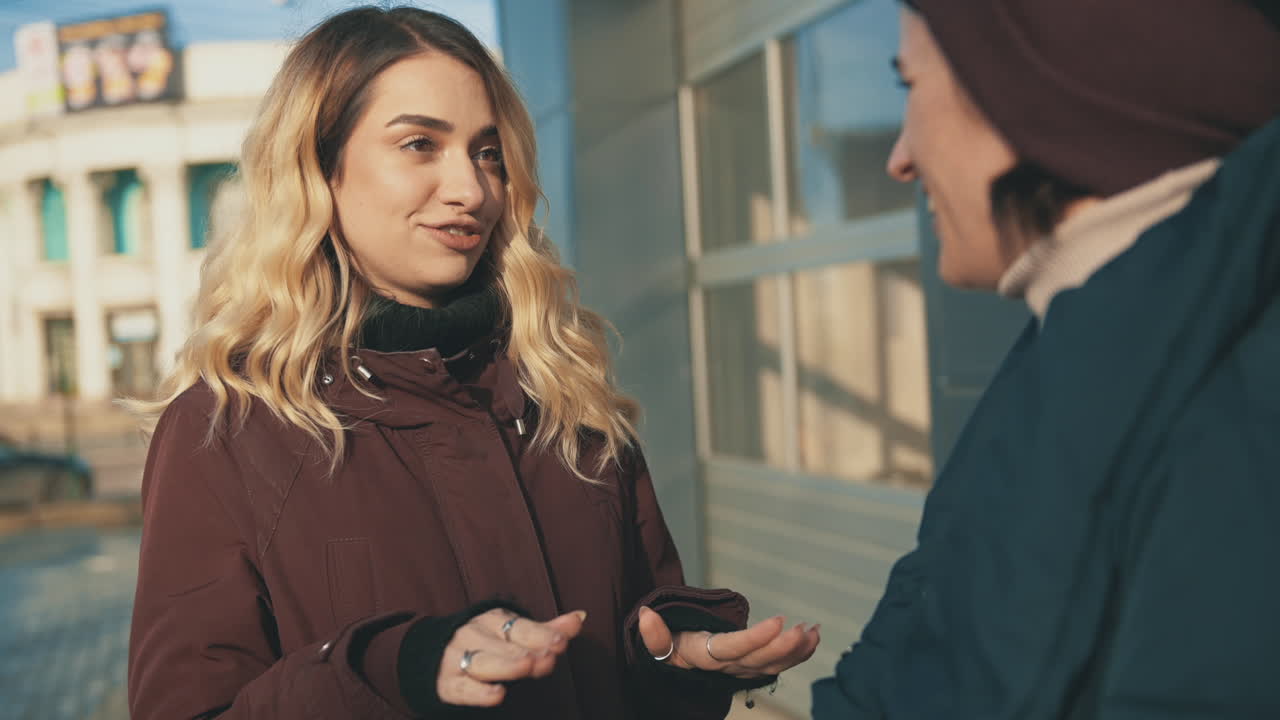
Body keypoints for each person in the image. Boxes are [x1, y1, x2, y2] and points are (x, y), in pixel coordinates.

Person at [127, 7, 819, 720]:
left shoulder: (565, 392)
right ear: (319, 169)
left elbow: (622, 644)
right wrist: (391, 668)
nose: (470, 189)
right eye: (420, 144)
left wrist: (678, 658)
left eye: (487, 153)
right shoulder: (228, 432)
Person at [813, 1, 1280, 717]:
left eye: (910, 86)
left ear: (1027, 89)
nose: (899, 159)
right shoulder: (1068, 346)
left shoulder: (1237, 416)